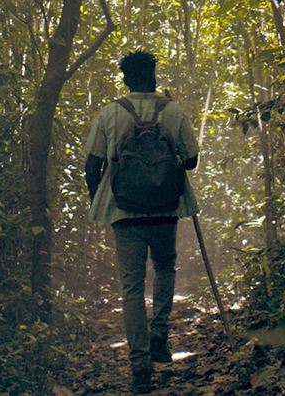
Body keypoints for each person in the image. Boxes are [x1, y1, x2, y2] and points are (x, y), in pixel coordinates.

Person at [84, 51, 199, 394]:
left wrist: (100, 201)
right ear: (153, 75)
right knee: (165, 268)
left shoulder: (110, 113)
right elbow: (191, 160)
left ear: (126, 80)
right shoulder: (172, 110)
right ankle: (159, 335)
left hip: (125, 213)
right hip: (165, 209)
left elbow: (92, 167)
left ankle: (140, 366)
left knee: (131, 286)